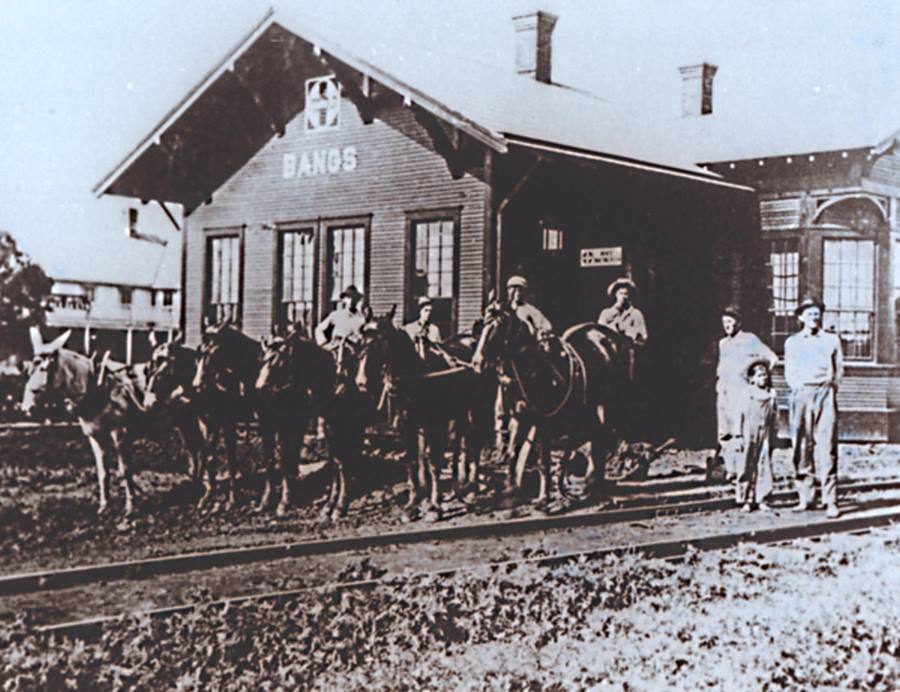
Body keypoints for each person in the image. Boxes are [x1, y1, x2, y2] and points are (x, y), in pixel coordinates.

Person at [784, 296, 843, 518]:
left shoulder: (831, 340)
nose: (814, 317)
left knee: (827, 447)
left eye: (817, 313)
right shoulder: (793, 342)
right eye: (809, 313)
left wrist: (830, 389)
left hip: (825, 393)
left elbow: (839, 370)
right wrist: (798, 388)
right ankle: (805, 497)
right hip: (802, 395)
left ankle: (830, 500)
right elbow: (789, 370)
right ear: (800, 317)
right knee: (801, 447)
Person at [716, 305, 777, 480]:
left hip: (741, 394)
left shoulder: (750, 340)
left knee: (740, 432)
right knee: (725, 432)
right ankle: (731, 469)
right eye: (724, 322)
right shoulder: (723, 344)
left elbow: (772, 358)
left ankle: (743, 470)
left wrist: (758, 382)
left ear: (739, 322)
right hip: (724, 392)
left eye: (730, 321)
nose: (727, 326)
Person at [733, 359, 776, 512]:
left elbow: (774, 417)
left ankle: (762, 498)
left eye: (764, 375)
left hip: (765, 432)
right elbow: (739, 415)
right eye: (758, 376)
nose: (762, 378)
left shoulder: (771, 394)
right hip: (748, 431)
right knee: (746, 464)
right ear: (751, 379)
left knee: (764, 464)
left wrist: (773, 437)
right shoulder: (747, 393)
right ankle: (746, 499)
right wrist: (737, 435)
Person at [597, 278, 648, 347]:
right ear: (616, 295)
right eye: (620, 293)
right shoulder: (606, 313)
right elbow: (599, 334)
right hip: (611, 351)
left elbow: (643, 337)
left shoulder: (636, 314)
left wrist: (626, 332)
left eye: (626, 294)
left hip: (630, 352)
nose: (623, 296)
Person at [314, 285, 366, 351]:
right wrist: (323, 344)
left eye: (354, 297)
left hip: (352, 350)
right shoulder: (336, 314)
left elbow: (362, 335)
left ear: (357, 300)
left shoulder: (361, 318)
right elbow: (319, 329)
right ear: (344, 299)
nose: (351, 300)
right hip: (335, 347)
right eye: (348, 297)